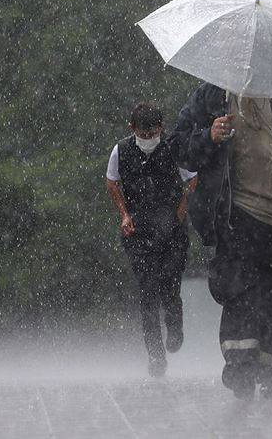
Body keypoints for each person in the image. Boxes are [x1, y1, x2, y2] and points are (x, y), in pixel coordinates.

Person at [170, 83, 272, 400]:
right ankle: (241, 372)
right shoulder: (212, 96)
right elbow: (179, 149)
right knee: (239, 292)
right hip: (235, 214)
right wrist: (208, 136)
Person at [106, 103, 196, 378]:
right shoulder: (121, 150)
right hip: (139, 232)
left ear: (161, 129)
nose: (148, 139)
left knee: (170, 284)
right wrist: (124, 214)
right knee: (147, 292)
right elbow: (112, 182)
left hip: (172, 230)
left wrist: (182, 206)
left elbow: (192, 179)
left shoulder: (172, 149)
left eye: (153, 133)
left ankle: (175, 324)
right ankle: (156, 355)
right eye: (143, 135)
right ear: (132, 129)